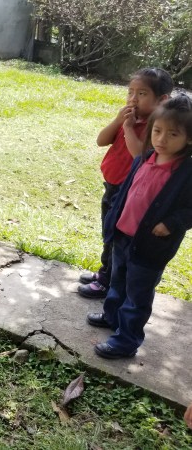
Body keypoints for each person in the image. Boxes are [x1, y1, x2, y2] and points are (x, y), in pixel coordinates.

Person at [86, 95, 192, 359]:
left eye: (173, 134)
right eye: (157, 131)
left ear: (189, 139)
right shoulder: (145, 158)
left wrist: (171, 223)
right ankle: (112, 317)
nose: (162, 139)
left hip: (150, 246)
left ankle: (126, 340)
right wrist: (114, 218)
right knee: (117, 281)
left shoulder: (186, 174)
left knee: (137, 294)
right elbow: (127, 192)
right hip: (123, 235)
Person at [78, 68, 173, 298]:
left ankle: (108, 281)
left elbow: (139, 156)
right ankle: (105, 271)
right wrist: (119, 121)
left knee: (117, 238)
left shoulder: (157, 128)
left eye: (142, 93)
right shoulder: (128, 119)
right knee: (108, 233)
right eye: (130, 92)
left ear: (162, 100)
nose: (133, 98)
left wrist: (129, 128)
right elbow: (101, 140)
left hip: (128, 192)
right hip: (111, 187)